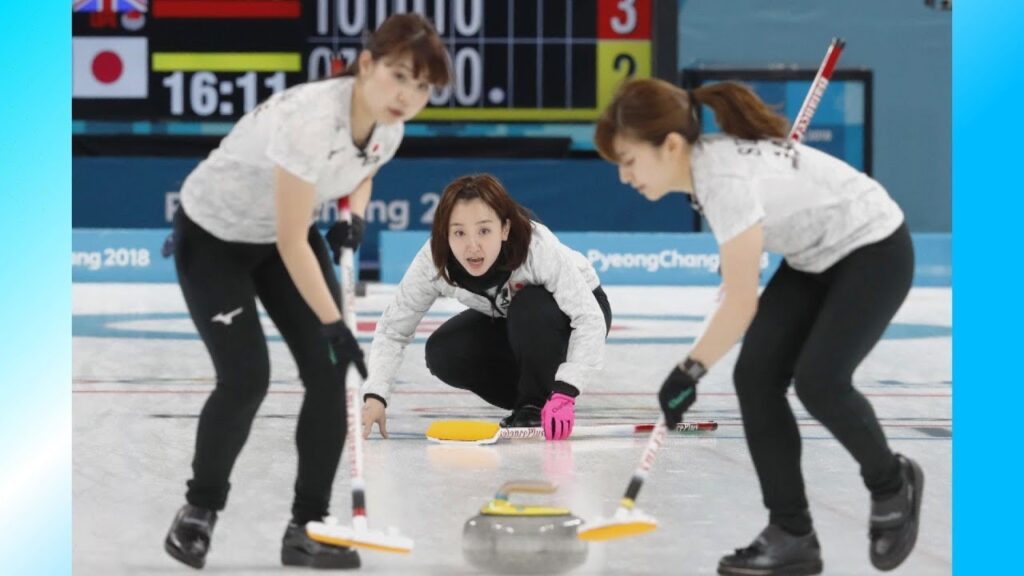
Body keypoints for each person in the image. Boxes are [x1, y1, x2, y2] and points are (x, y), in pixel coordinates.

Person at [594, 78, 923, 576]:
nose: (623, 176)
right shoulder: (708, 168)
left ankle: (892, 483)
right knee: (756, 377)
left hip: (874, 249)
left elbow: (741, 304)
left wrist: (688, 371)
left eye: (629, 160)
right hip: (814, 257)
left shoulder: (722, 180)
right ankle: (792, 533)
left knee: (820, 381)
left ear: (672, 145)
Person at [162, 14, 450, 570]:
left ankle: (307, 527)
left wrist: (354, 217)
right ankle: (199, 510)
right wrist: (334, 326)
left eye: (422, 87)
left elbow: (365, 168)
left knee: (328, 374)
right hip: (215, 237)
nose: (408, 96)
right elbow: (294, 240)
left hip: (279, 236)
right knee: (246, 378)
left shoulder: (390, 126)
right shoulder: (310, 120)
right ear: (366, 64)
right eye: (398, 76)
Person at [360, 174, 612, 441]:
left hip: (574, 313)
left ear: (504, 229)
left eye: (484, 231)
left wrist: (566, 391)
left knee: (530, 305)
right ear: (445, 234)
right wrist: (376, 395)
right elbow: (393, 329)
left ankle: (534, 404)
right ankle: (530, 397)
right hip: (511, 320)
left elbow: (588, 318)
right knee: (444, 352)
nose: (473, 246)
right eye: (459, 233)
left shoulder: (535, 246)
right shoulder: (433, 261)